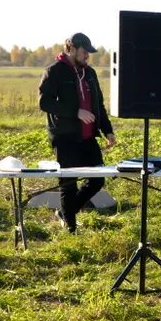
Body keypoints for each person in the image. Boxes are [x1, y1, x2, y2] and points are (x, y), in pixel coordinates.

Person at [37, 32, 117, 233]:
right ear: (71, 49)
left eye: (89, 53)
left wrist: (107, 130)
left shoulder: (90, 73)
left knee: (97, 180)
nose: (87, 56)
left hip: (89, 137)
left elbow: (98, 104)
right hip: (65, 137)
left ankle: (66, 212)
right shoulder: (54, 71)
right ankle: (71, 230)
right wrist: (76, 112)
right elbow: (44, 102)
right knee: (69, 183)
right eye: (84, 52)